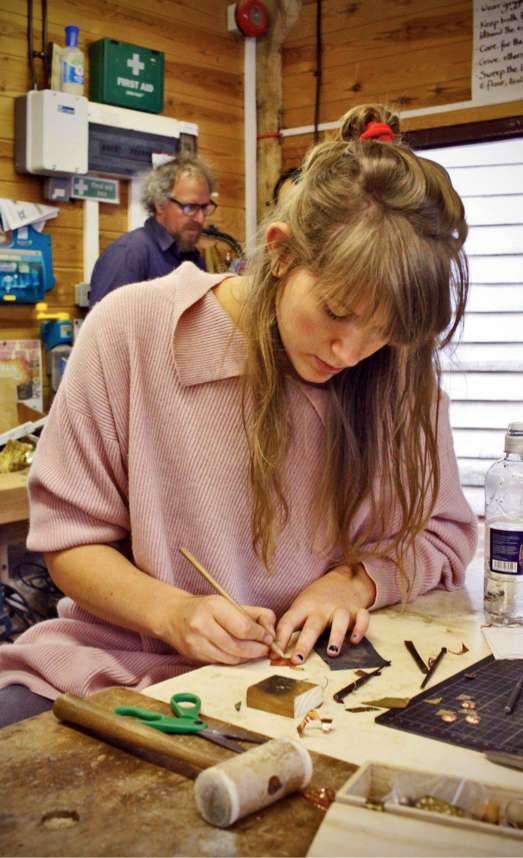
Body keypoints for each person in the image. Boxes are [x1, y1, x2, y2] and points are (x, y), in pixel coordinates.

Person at [0, 104, 478, 727]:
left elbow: (442, 535)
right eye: (335, 311)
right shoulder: (135, 330)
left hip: (309, 687)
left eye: (383, 331)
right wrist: (170, 611)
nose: (351, 351)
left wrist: (356, 581)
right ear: (279, 255)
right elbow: (71, 541)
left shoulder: (397, 370)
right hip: (116, 665)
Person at [88, 155, 216, 306]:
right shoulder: (128, 254)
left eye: (204, 207)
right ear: (160, 204)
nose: (200, 219)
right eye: (190, 207)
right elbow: (106, 328)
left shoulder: (194, 260)